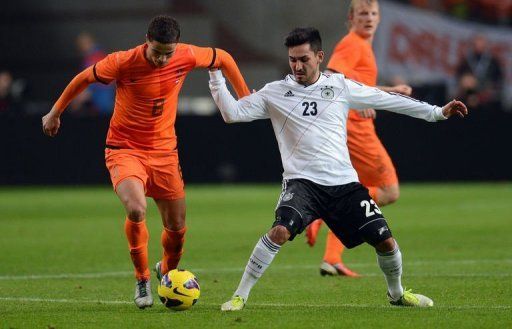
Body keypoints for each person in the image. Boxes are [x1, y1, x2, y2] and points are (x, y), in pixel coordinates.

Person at [208, 27, 467, 311]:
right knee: (279, 232)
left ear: (319, 56)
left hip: (344, 186)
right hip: (302, 184)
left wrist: (436, 113)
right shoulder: (275, 93)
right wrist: (215, 73)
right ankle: (239, 296)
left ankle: (397, 294)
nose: (297, 66)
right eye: (292, 59)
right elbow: (232, 114)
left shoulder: (340, 86)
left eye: (303, 59)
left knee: (386, 242)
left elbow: (390, 101)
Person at [42, 15, 250, 309]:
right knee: (137, 209)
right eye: (157, 52)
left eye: (168, 53)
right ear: (146, 42)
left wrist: (243, 96)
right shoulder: (122, 62)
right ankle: (142, 279)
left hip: (165, 153)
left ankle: (166, 270)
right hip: (125, 149)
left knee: (177, 227)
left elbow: (223, 58)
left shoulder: (186, 54)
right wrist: (55, 112)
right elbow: (83, 78)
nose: (163, 60)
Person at [306, 0, 413, 278]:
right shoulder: (352, 43)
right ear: (350, 18)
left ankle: (331, 259)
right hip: (356, 130)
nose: (369, 18)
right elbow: (330, 78)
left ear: (379, 18)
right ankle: (323, 212)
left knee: (356, 192)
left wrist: (388, 90)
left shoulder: (362, 45)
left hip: (351, 128)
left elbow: (353, 84)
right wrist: (355, 103)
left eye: (373, 13)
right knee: (388, 190)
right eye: (363, 14)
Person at [69, 32, 115, 116]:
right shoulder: (96, 55)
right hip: (103, 101)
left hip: (103, 102)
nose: (80, 48)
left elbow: (91, 85)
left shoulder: (94, 58)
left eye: (81, 45)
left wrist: (78, 99)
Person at [454, 34, 503, 111]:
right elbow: (460, 76)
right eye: (477, 43)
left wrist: (489, 87)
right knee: (468, 80)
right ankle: (472, 98)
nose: (479, 46)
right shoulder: (467, 60)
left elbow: (498, 78)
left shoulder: (492, 61)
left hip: (486, 88)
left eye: (482, 43)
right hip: (471, 90)